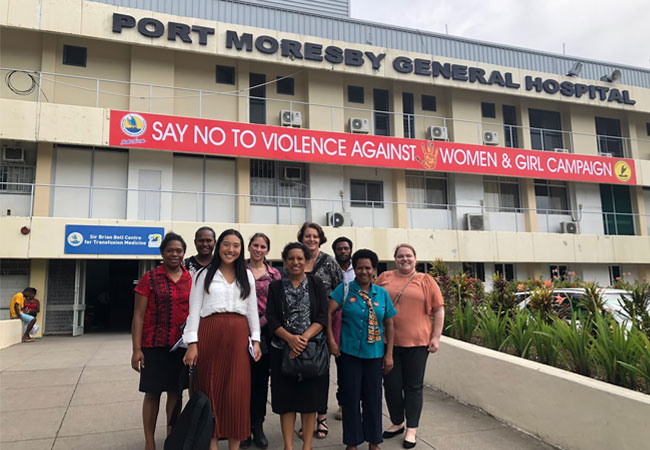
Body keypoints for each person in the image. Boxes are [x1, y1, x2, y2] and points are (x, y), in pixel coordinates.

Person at [183, 229, 262, 450]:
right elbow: (194, 310)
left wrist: (255, 340)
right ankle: (212, 444)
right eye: (227, 244)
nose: (231, 250)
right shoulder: (203, 275)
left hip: (238, 338)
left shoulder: (246, 276)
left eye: (236, 245)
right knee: (210, 392)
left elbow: (252, 310)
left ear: (241, 249)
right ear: (219, 246)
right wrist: (192, 343)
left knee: (237, 394)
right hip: (209, 335)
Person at [375, 244, 445, 449]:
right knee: (391, 385)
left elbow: (438, 310)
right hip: (388, 343)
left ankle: (411, 429)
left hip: (418, 343)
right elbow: (373, 301)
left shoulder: (426, 280)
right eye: (400, 256)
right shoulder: (385, 277)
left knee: (413, 387)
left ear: (415, 258)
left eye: (408, 256)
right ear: (395, 258)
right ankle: (397, 421)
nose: (404, 259)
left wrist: (436, 337)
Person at [327, 249, 396, 450]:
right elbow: (328, 314)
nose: (363, 271)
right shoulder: (345, 290)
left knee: (373, 399)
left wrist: (389, 354)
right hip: (349, 355)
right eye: (359, 267)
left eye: (368, 268)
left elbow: (390, 325)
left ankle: (374, 441)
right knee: (350, 399)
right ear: (354, 269)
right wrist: (332, 341)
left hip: (374, 356)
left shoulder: (381, 294)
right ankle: (352, 442)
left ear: (374, 269)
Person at [131, 232, 192, 450]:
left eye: (179, 250)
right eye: (170, 250)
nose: (175, 254)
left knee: (176, 393)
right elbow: (138, 314)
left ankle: (172, 436)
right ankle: (149, 440)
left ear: (184, 253)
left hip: (181, 348)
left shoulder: (190, 279)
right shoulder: (150, 278)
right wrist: (136, 349)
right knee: (152, 392)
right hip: (153, 345)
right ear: (162, 253)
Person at [266, 242, 329, 450]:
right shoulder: (276, 286)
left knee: (310, 401)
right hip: (282, 351)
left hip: (311, 351)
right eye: (291, 258)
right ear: (285, 261)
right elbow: (271, 317)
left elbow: (322, 315)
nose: (296, 262)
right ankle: (288, 445)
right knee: (286, 401)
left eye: (300, 258)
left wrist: (302, 339)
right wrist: (290, 339)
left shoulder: (316, 283)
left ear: (307, 261)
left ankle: (307, 445)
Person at [297, 222, 343, 438]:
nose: (311, 239)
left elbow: (341, 291)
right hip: (298, 327)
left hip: (324, 328)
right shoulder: (296, 259)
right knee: (301, 375)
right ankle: (306, 418)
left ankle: (321, 418)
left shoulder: (330, 263)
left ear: (320, 238)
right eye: (307, 236)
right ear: (302, 238)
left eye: (315, 236)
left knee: (321, 373)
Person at [241, 233, 282, 449]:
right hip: (240, 331)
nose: (258, 249)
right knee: (241, 381)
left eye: (263, 246)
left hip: (265, 333)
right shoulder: (238, 270)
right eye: (255, 245)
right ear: (248, 247)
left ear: (267, 249)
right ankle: (243, 427)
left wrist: (264, 322)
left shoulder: (274, 274)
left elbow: (277, 304)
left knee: (259, 382)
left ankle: (258, 425)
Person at [330, 235, 355, 421]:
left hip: (355, 320)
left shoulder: (359, 268)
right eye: (339, 248)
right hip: (335, 318)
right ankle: (342, 403)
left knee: (353, 364)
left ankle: (356, 401)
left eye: (346, 248)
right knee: (341, 363)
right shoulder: (330, 267)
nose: (343, 251)